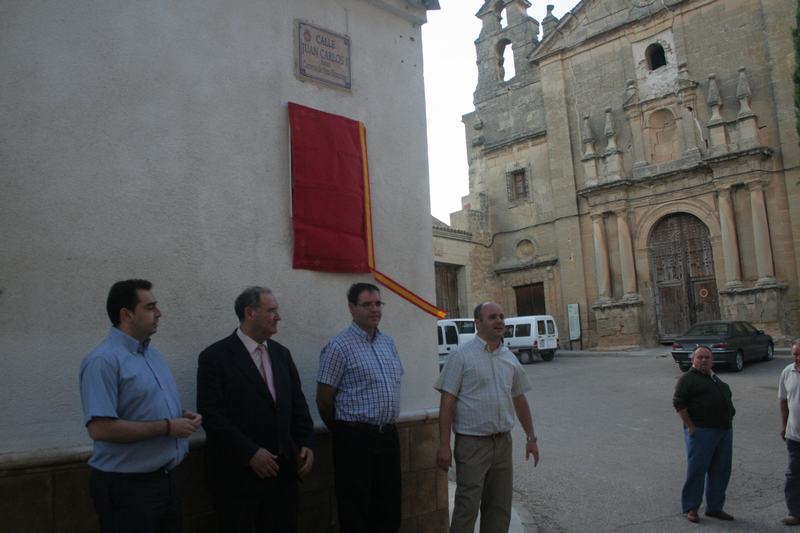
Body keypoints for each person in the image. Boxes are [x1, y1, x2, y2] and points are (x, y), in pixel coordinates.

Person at [79, 279, 202, 533]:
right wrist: (168, 426)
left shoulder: (151, 354)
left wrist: (180, 417)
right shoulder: (103, 360)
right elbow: (101, 428)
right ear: (127, 314)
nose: (159, 313)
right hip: (127, 487)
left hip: (164, 481)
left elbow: (140, 408)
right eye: (150, 307)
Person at [197, 286, 314, 533]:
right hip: (238, 479)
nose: (278, 316)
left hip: (283, 477)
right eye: (271, 310)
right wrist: (250, 453)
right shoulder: (215, 357)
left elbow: (298, 406)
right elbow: (212, 415)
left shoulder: (282, 355)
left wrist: (306, 442)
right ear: (250, 313)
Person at [435, 301, 540, 533]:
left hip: (503, 444)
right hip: (472, 444)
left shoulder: (509, 358)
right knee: (467, 508)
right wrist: (444, 445)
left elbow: (519, 398)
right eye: (492, 317)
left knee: (499, 508)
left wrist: (531, 438)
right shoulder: (460, 356)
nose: (500, 321)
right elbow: (447, 403)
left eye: (501, 316)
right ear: (478, 323)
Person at [316, 282, 404, 533]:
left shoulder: (388, 343)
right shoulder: (339, 347)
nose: (374, 309)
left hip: (388, 436)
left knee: (388, 507)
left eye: (378, 303)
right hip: (355, 440)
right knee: (356, 509)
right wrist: (344, 431)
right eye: (367, 304)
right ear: (352, 308)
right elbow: (323, 399)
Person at [673, 345, 736, 523]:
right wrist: (690, 426)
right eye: (700, 357)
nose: (703, 360)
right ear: (693, 359)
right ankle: (691, 508)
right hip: (701, 431)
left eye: (707, 357)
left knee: (721, 470)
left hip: (723, 431)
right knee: (697, 470)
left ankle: (715, 508)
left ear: (712, 360)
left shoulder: (714, 378)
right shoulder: (687, 379)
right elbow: (678, 403)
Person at [779, 339, 800, 526]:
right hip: (795, 436)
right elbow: (783, 401)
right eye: (795, 354)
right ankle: (795, 512)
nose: (798, 357)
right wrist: (784, 425)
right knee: (793, 476)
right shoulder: (787, 372)